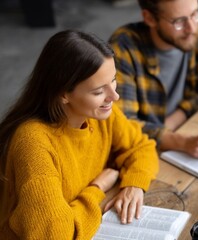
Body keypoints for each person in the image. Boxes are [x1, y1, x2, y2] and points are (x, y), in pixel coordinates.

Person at [0, 30, 159, 239]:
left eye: (113, 80)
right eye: (98, 91)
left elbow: (142, 146)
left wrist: (134, 185)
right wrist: (97, 187)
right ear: (63, 94)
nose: (114, 96)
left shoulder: (100, 114)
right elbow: (57, 235)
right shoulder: (33, 144)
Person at [109, 0, 198, 159]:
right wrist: (182, 142)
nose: (191, 28)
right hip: (140, 150)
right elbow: (123, 125)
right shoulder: (123, 47)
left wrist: (175, 119)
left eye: (194, 14)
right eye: (179, 21)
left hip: (183, 129)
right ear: (149, 18)